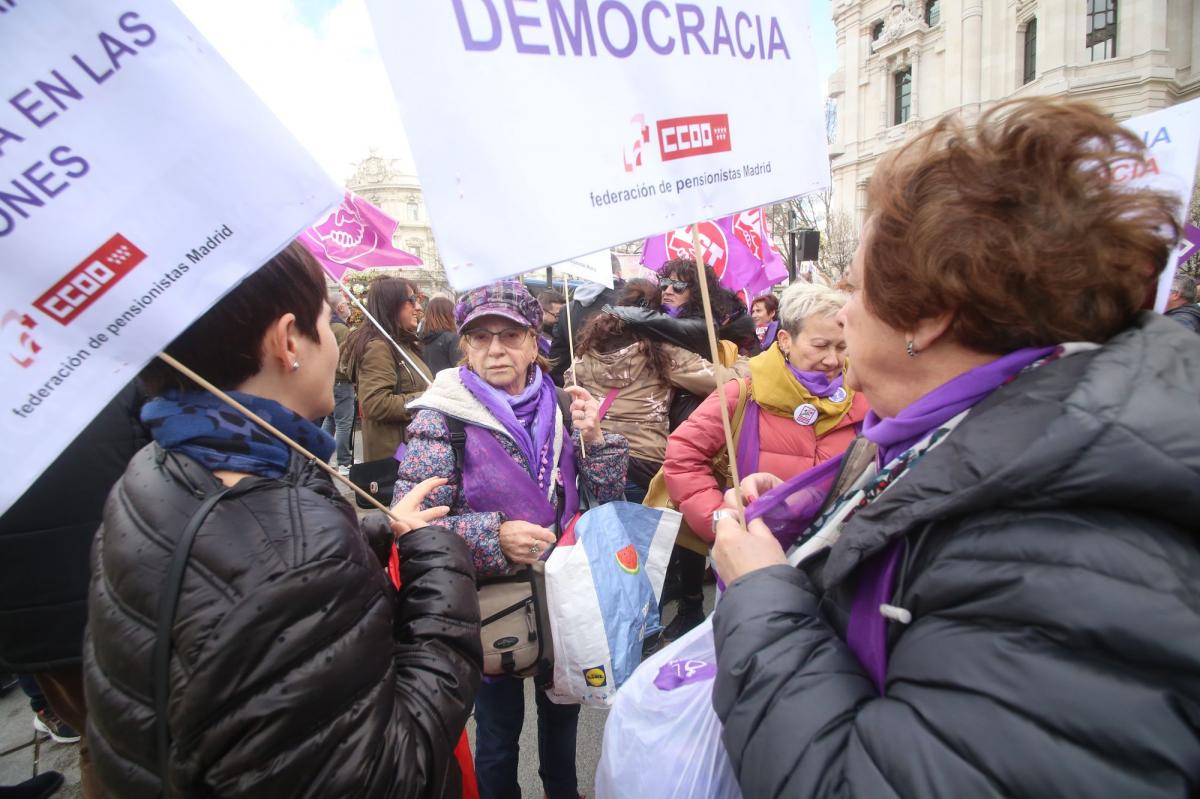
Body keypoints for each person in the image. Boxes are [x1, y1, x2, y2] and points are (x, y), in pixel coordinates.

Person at [710, 98, 1200, 796]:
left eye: (853, 285)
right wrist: (805, 523)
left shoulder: (1056, 543)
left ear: (930, 315)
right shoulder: (956, 436)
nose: (841, 310)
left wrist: (763, 598)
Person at [84, 242, 481, 797]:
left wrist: (371, 531)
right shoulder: (295, 552)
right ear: (288, 340)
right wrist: (437, 560)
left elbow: (236, 583)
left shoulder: (156, 467)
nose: (336, 346)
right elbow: (393, 773)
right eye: (328, 322)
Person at [394, 280, 628, 799]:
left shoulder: (568, 405)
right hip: (490, 601)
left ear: (534, 340)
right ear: (465, 346)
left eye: (509, 335)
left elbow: (606, 499)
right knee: (497, 735)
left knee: (562, 725)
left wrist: (596, 442)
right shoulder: (442, 416)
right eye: (480, 338)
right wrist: (493, 536)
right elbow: (413, 525)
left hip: (563, 595)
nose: (495, 349)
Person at [661, 282, 867, 639]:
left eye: (841, 347)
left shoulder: (865, 400)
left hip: (838, 571)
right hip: (753, 571)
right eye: (820, 346)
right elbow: (682, 457)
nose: (833, 360)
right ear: (785, 340)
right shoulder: (742, 394)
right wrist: (720, 522)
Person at [0, 380, 148, 799]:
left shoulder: (97, 369)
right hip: (122, 597)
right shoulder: (103, 372)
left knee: (103, 745)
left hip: (37, 616)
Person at [570, 278, 728, 503]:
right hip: (643, 463)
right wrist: (740, 360)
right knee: (643, 537)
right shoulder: (661, 355)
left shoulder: (587, 351)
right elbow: (724, 380)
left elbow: (571, 386)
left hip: (594, 455)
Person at [341, 277, 432, 461]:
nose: (419, 308)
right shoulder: (378, 348)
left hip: (412, 454)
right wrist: (428, 397)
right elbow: (375, 404)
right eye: (412, 300)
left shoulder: (401, 345)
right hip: (395, 462)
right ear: (391, 305)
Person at [548, 280, 620, 386]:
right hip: (617, 388)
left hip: (578, 389)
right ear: (617, 273)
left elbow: (558, 360)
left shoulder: (567, 310)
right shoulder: (627, 305)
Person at [319, 292, 356, 473]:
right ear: (340, 307)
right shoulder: (341, 330)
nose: (349, 307)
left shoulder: (327, 326)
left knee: (331, 419)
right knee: (343, 422)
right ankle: (344, 462)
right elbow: (346, 358)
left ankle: (321, 456)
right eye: (347, 304)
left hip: (331, 380)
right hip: (342, 381)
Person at [422, 296, 466, 374]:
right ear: (449, 314)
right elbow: (461, 370)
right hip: (449, 384)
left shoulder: (422, 339)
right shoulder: (452, 338)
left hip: (431, 384)